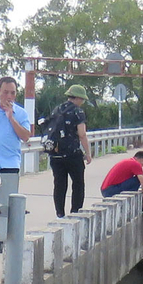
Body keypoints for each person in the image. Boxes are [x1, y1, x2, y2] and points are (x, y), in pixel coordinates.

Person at [43, 85, 91, 218]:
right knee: (78, 183)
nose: (82, 102)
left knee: (59, 184)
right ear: (78, 98)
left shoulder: (56, 110)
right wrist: (88, 153)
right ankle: (76, 212)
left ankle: (60, 213)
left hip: (56, 154)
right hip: (72, 154)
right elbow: (82, 134)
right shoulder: (78, 112)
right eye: (82, 99)